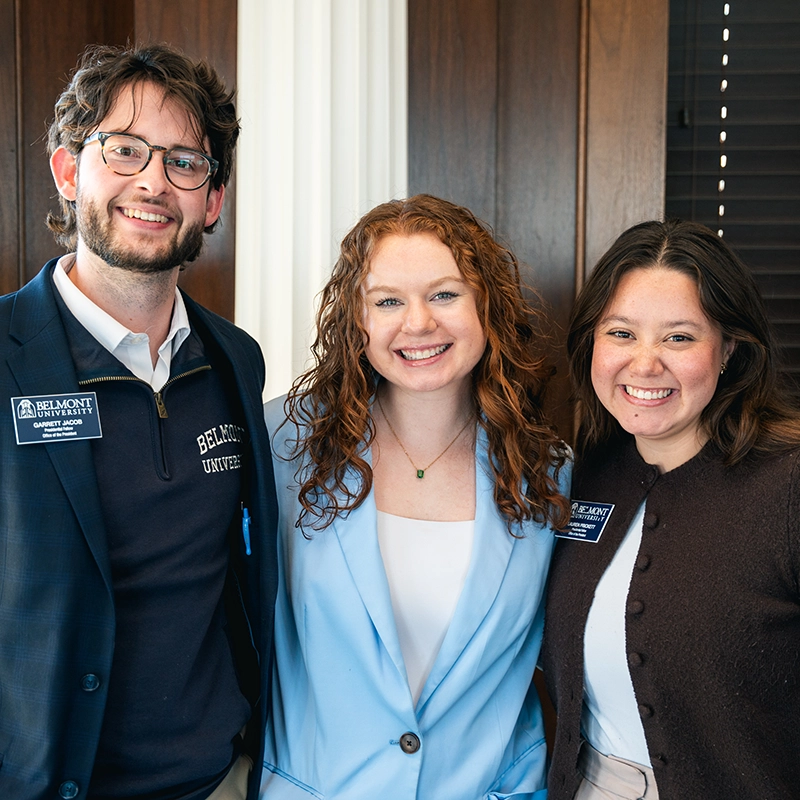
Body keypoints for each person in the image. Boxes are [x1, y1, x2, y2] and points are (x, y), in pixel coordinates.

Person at [0, 43, 278, 800]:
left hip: (219, 781)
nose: (153, 181)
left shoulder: (234, 362)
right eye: (124, 150)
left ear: (212, 201)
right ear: (68, 171)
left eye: (186, 162)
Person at [261, 194, 571, 799]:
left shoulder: (549, 471)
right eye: (387, 301)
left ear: (488, 306)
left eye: (445, 294)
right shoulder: (283, 443)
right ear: (357, 319)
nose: (419, 323)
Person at [540, 218, 800, 800]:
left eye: (679, 337)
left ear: (730, 348)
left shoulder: (788, 485)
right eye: (622, 333)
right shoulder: (582, 473)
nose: (645, 364)